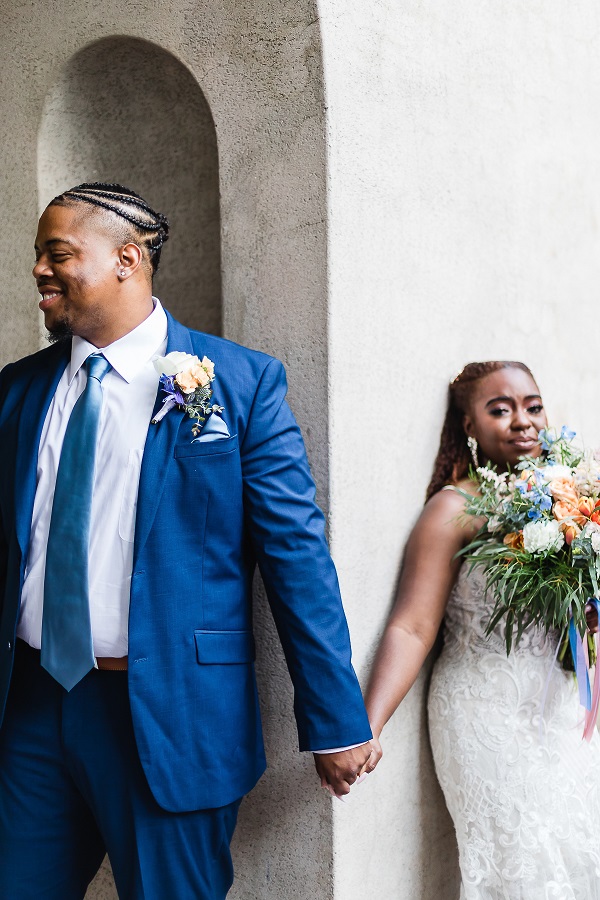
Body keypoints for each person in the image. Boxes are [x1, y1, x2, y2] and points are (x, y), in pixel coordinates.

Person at [0, 183, 375, 899]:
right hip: (30, 710)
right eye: (39, 257)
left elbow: (296, 555)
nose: (40, 272)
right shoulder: (19, 391)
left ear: (127, 260)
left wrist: (335, 718)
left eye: (59, 254)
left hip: (170, 715)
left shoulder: (238, 384)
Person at [365, 361, 600, 899]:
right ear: (468, 426)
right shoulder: (451, 510)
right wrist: (368, 726)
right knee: (522, 866)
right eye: (501, 409)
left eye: (532, 406)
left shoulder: (568, 502)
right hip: (484, 712)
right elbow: (412, 625)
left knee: (575, 850)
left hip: (559, 710)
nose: (523, 421)